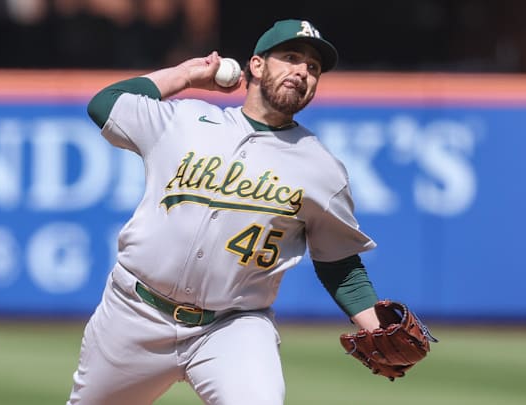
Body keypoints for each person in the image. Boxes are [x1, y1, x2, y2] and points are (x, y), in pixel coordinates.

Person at [67, 19, 383, 405]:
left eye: (313, 68)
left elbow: (339, 264)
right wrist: (185, 75)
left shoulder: (321, 168)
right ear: (256, 65)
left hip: (233, 327)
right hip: (134, 314)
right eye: (291, 58)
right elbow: (104, 104)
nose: (302, 71)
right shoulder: (185, 120)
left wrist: (377, 327)